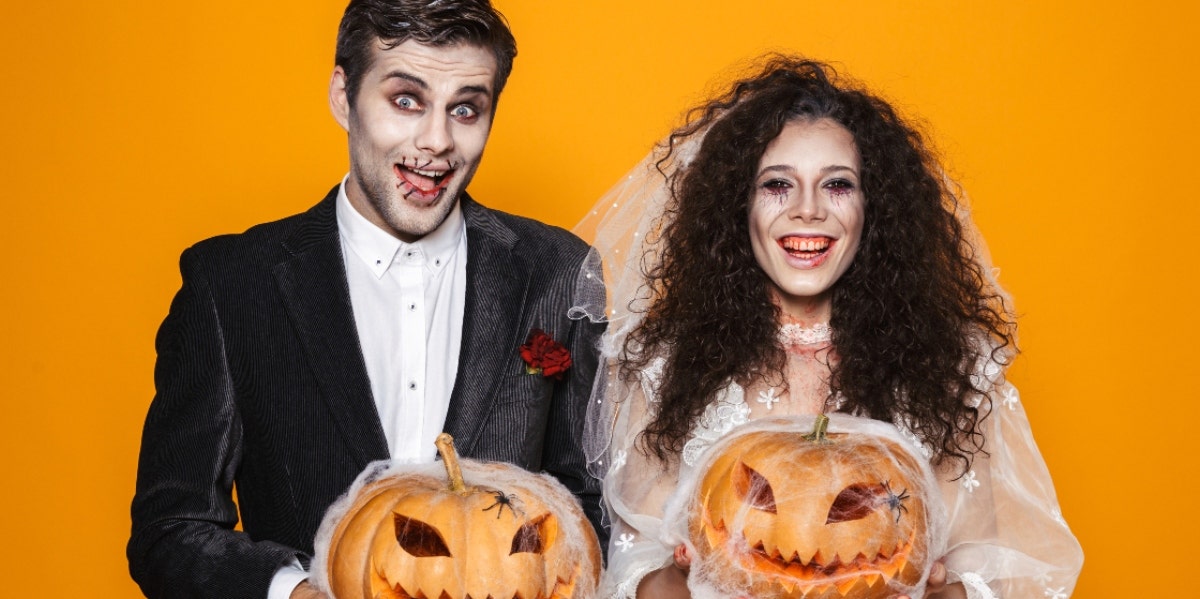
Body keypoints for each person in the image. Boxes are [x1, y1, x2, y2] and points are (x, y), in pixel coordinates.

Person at [127, 1, 604, 598]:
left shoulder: (558, 272)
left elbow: (589, 502)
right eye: (406, 100)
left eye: (465, 109)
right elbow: (171, 531)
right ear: (341, 94)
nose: (437, 142)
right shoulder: (229, 284)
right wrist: (297, 592)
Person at [575, 56, 1083, 598]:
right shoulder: (665, 370)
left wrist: (938, 591)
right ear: (735, 207)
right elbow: (626, 578)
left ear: (875, 208)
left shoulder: (953, 374)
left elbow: (1002, 576)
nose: (807, 210)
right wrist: (681, 575)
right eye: (776, 185)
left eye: (837, 185)